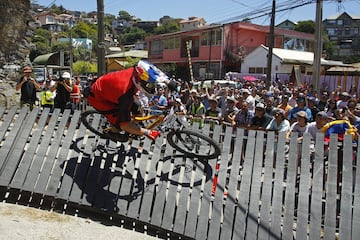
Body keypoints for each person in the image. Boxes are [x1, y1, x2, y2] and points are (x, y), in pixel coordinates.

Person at [87, 60, 176, 141]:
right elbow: (124, 125)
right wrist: (147, 132)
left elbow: (153, 72)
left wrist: (167, 82)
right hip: (99, 98)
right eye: (150, 85)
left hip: (110, 89)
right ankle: (112, 132)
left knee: (138, 107)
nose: (152, 87)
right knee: (119, 123)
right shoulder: (124, 94)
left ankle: (134, 128)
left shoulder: (138, 71)